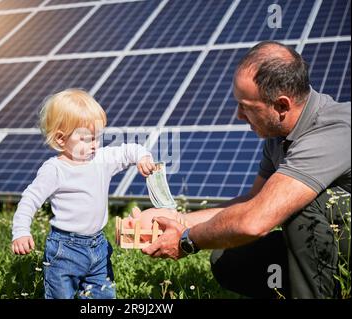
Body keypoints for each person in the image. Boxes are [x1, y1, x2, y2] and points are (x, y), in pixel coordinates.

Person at [141, 41, 351, 299]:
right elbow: (254, 201)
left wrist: (187, 241)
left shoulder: (334, 132)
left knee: (303, 208)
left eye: (247, 107)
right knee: (229, 259)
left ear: (282, 106)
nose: (238, 115)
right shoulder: (279, 133)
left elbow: (255, 221)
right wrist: (176, 221)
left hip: (342, 245)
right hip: (328, 243)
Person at [11, 88, 156, 299]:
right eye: (87, 139)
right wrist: (21, 231)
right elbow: (30, 200)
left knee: (103, 296)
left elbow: (128, 150)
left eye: (97, 137)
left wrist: (142, 157)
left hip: (98, 246)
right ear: (61, 140)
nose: (95, 145)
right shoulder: (55, 170)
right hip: (65, 250)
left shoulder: (101, 159)